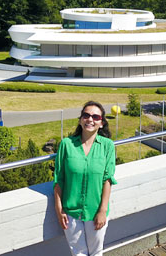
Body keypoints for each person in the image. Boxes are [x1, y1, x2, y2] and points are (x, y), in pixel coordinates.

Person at [54, 101, 117, 256]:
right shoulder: (66, 145)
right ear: (80, 119)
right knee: (78, 253)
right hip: (70, 212)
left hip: (96, 211)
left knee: (96, 252)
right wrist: (59, 209)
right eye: (86, 115)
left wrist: (102, 210)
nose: (90, 119)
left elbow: (107, 180)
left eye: (96, 117)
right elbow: (59, 179)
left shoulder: (107, 146)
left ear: (101, 123)